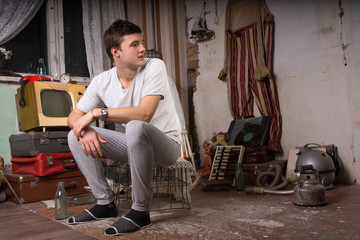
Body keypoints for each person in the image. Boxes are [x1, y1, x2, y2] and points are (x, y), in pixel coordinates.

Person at [66, 19, 182, 236]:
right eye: (135, 44)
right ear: (115, 52)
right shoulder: (102, 81)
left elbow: (144, 113)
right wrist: (86, 129)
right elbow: (73, 117)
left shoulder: (154, 66)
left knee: (136, 126)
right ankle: (104, 203)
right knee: (75, 136)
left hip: (167, 145)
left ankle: (140, 211)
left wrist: (96, 113)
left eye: (142, 42)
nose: (142, 49)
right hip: (134, 145)